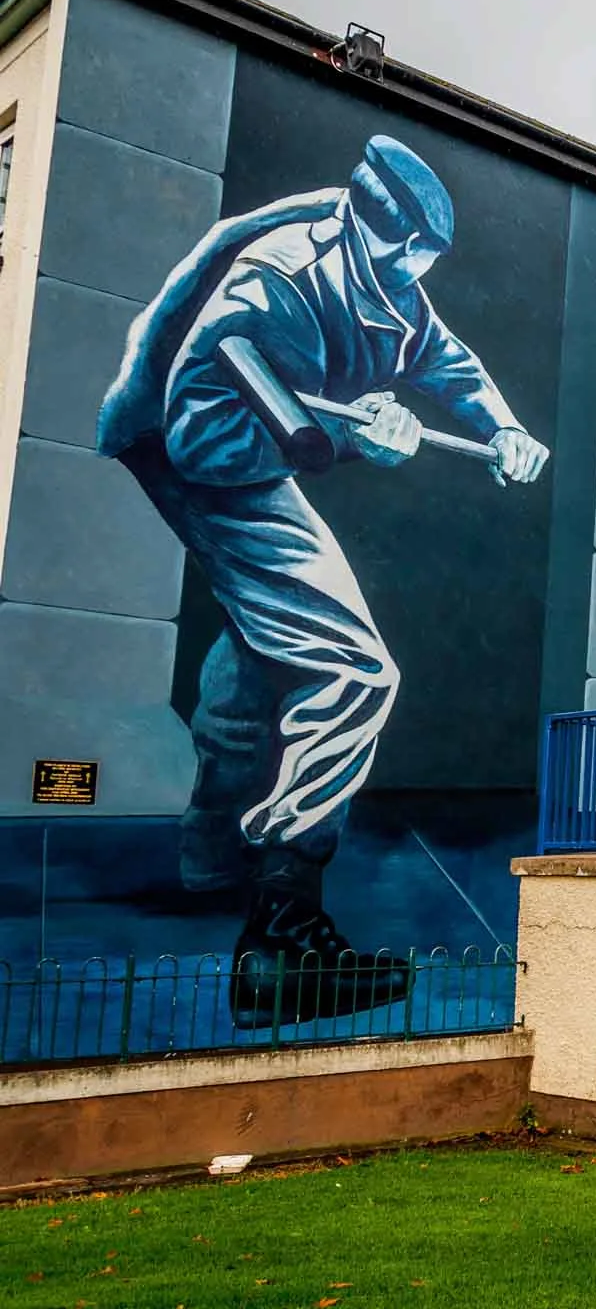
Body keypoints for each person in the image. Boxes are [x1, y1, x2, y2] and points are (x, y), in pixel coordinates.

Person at [96, 135, 552, 1024]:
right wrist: (351, 439)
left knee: (268, 644)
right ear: (368, 233)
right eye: (409, 260)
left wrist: (501, 428)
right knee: (353, 670)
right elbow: (208, 442)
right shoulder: (274, 285)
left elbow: (441, 357)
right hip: (192, 451)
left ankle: (214, 860)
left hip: (238, 441)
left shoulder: (381, 275)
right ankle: (281, 939)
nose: (415, 281)